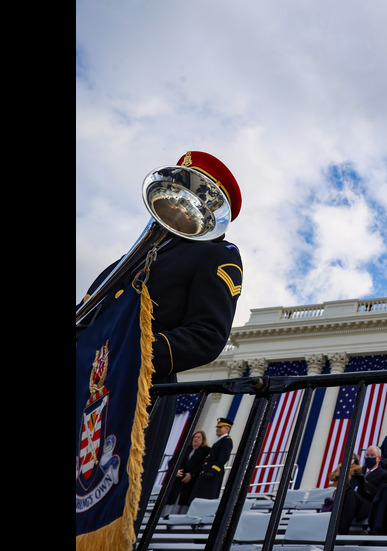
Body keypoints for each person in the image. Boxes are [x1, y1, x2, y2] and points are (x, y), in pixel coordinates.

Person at [76, 151, 244, 524]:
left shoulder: (217, 254)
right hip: (82, 389)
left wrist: (124, 354)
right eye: (175, 193)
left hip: (135, 395)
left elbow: (207, 335)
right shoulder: (122, 261)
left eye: (191, 199)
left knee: (100, 514)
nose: (179, 206)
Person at [332, 446, 387, 534]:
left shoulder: (385, 475)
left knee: (351, 494)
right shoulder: (358, 472)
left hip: (368, 505)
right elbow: (351, 487)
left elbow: (379, 495)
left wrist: (364, 484)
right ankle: (333, 528)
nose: (369, 458)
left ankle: (341, 532)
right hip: (351, 502)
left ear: (379, 458)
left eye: (372, 455)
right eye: (367, 455)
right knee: (345, 493)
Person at [163, 430, 210, 515]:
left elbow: (203, 465)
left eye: (198, 437)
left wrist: (192, 474)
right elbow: (172, 462)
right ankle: (166, 515)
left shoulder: (206, 451)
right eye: (194, 437)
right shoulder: (185, 448)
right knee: (172, 498)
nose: (196, 439)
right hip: (178, 479)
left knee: (184, 500)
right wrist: (174, 471)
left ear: (203, 440)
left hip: (191, 481)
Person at [189, 418, 235, 501]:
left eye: (220, 427)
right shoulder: (219, 440)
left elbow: (223, 457)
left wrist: (213, 471)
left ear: (227, 429)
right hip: (207, 471)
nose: (217, 429)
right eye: (217, 427)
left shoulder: (227, 440)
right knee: (199, 496)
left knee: (206, 496)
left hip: (212, 473)